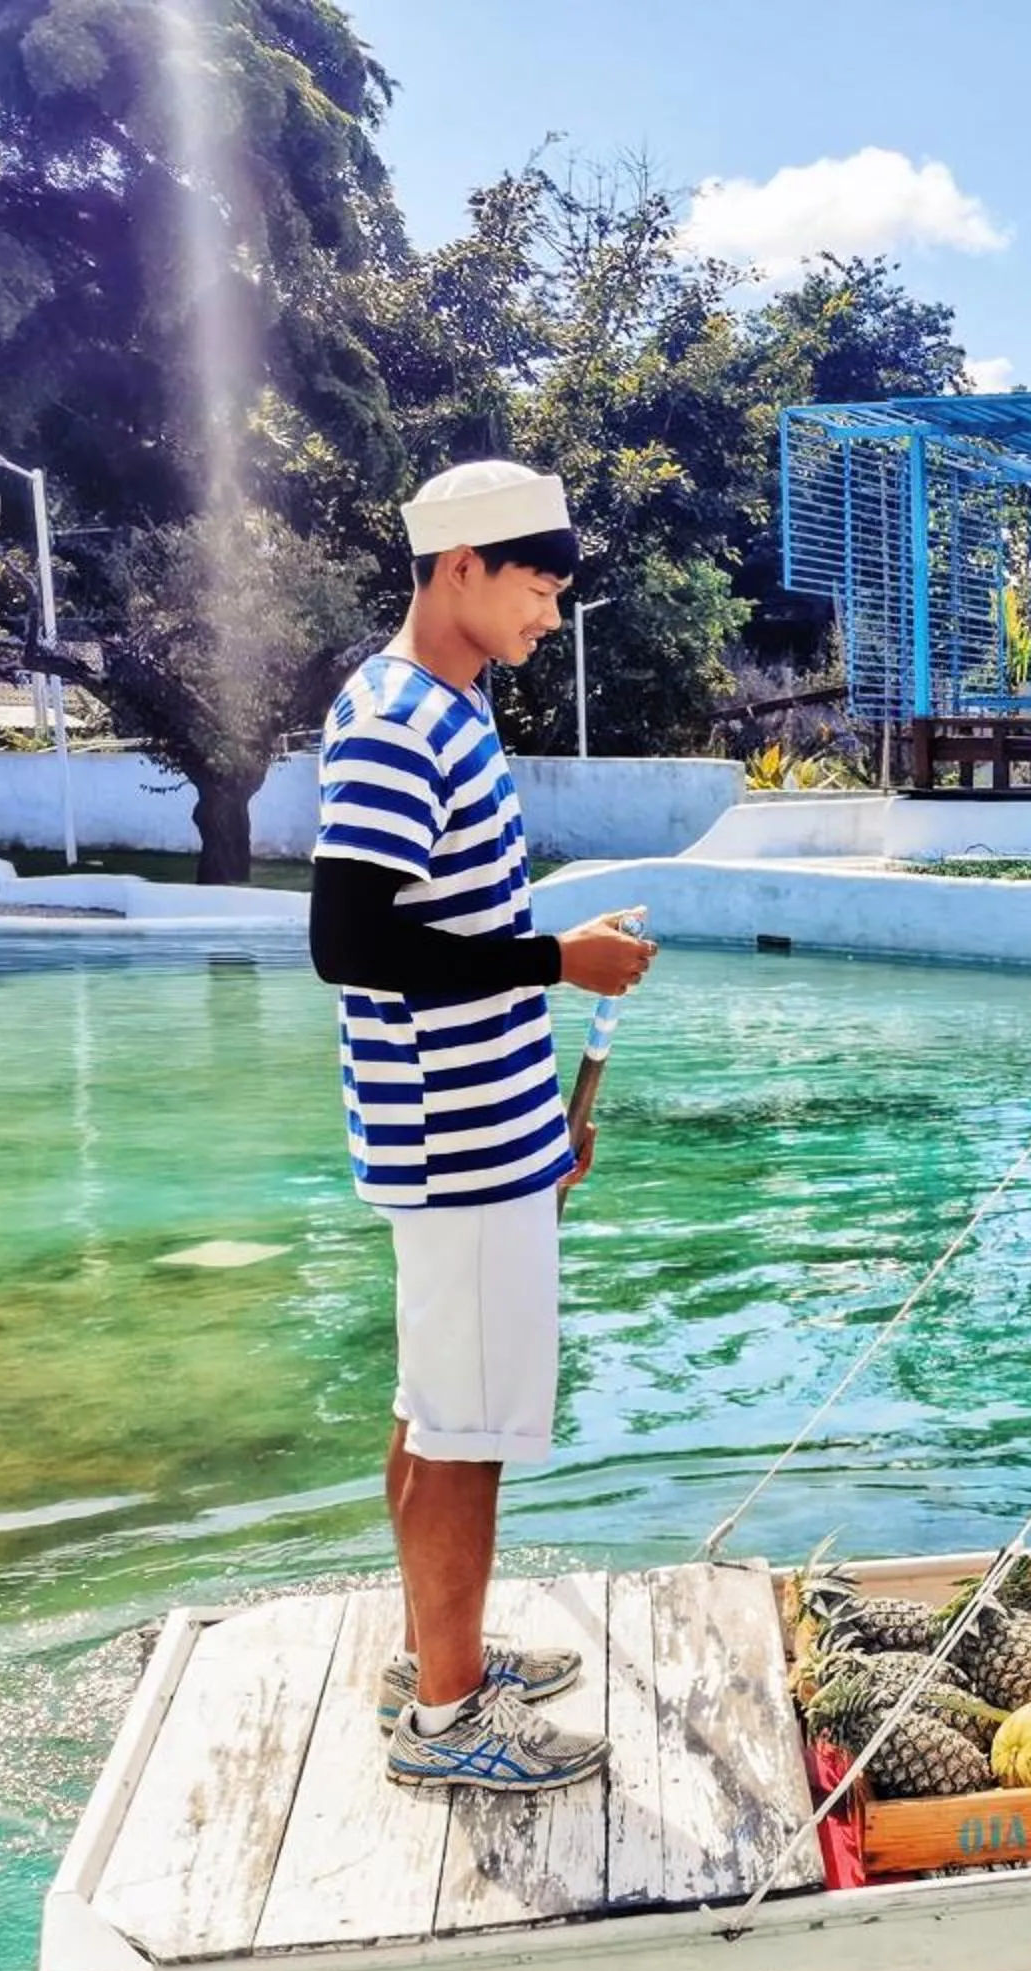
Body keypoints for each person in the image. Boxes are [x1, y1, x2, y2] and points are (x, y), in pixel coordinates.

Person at [308, 459, 657, 1792]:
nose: (548, 620)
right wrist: (555, 965)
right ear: (461, 567)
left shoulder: (441, 702)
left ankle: (431, 1657)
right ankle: (450, 1722)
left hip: (476, 1125)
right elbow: (350, 940)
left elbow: (440, 919)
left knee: (433, 1406)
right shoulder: (404, 718)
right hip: (453, 1140)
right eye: (538, 591)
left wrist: (537, 1115)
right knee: (466, 1429)